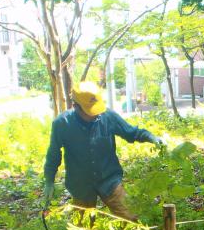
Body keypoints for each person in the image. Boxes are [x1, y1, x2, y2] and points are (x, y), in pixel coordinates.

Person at [43, 81, 165, 221]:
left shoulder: (108, 117)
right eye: (90, 111)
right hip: (80, 184)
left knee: (132, 219)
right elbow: (53, 154)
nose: (95, 114)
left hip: (109, 179)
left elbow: (131, 132)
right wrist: (49, 181)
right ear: (76, 106)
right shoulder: (62, 124)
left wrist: (152, 137)